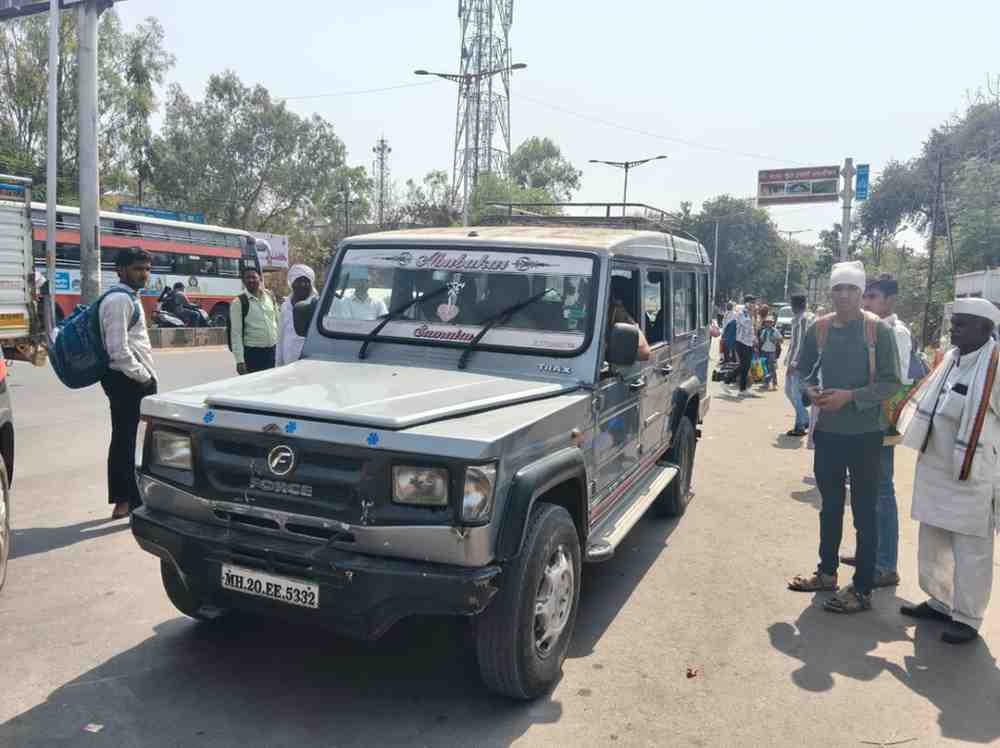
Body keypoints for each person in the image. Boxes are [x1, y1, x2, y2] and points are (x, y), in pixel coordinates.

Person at [787, 260, 900, 614]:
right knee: (830, 506)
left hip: (866, 434)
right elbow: (801, 368)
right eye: (838, 288)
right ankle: (827, 572)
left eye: (852, 288)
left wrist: (849, 397)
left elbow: (892, 382)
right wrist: (810, 391)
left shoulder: (877, 332)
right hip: (829, 433)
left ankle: (863, 588)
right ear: (830, 291)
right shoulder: (819, 329)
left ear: (861, 292)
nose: (845, 295)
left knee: (865, 511)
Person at [898, 298, 1000, 644]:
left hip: (974, 474)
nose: (953, 329)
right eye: (954, 323)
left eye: (963, 324)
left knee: (972, 551)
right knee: (934, 540)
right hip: (937, 470)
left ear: (986, 330)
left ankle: (968, 618)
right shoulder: (949, 360)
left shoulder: (995, 367)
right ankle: (940, 602)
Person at [840, 274, 913, 587]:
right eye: (864, 296)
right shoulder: (870, 328)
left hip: (880, 420)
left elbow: (887, 380)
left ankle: (885, 565)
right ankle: (870, 551)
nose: (865, 302)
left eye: (872, 297)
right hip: (862, 418)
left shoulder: (895, 332)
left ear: (889, 301)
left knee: (881, 491)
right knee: (864, 490)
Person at [100, 248, 157, 520]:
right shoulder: (119, 301)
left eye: (147, 269)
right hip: (128, 380)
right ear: (120, 270)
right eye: (137, 268)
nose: (144, 274)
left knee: (126, 439)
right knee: (128, 442)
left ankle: (125, 501)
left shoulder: (128, 297)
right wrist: (143, 377)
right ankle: (126, 501)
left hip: (130, 378)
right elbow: (118, 350)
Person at [231, 267, 278, 375]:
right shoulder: (238, 302)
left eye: (254, 277)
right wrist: (240, 361)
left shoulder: (270, 296)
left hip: (272, 351)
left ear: (260, 278)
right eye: (247, 278)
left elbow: (277, 321)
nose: (251, 280)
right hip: (253, 354)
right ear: (243, 281)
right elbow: (236, 334)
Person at [277, 264, 317, 366]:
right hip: (288, 361)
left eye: (306, 281)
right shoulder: (285, 306)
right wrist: (278, 364)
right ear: (292, 283)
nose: (303, 284)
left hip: (310, 361)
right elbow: (281, 336)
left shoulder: (316, 305)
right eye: (299, 281)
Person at [784, 291, 811, 436]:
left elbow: (801, 344)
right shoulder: (798, 319)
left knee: (793, 394)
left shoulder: (803, 320)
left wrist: (793, 363)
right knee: (794, 394)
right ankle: (800, 425)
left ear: (796, 305)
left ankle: (804, 419)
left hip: (798, 363)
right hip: (795, 361)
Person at [729, 295, 757, 395]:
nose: (754, 305)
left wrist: (754, 339)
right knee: (744, 365)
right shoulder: (742, 312)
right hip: (741, 342)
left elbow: (752, 328)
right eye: (752, 302)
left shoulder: (750, 313)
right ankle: (726, 380)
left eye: (754, 302)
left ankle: (742, 389)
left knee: (746, 366)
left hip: (748, 342)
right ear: (747, 303)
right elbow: (746, 323)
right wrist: (751, 313)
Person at [757, 317, 782, 390]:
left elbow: (781, 340)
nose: (768, 323)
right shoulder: (764, 331)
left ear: (772, 323)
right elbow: (761, 340)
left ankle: (774, 383)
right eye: (767, 322)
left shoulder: (775, 331)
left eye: (770, 322)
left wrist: (775, 339)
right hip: (764, 351)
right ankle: (766, 383)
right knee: (765, 369)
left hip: (772, 351)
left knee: (772, 368)